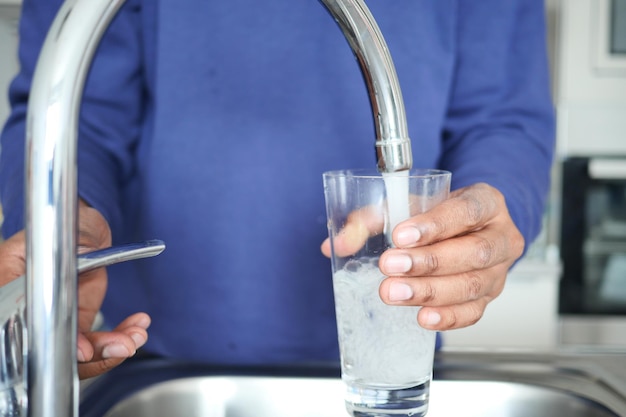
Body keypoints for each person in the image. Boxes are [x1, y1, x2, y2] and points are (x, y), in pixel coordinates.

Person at [0, 0, 555, 379]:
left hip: (394, 355)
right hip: (152, 356)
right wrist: (64, 225)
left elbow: (503, 118)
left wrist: (484, 215)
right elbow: (80, 111)